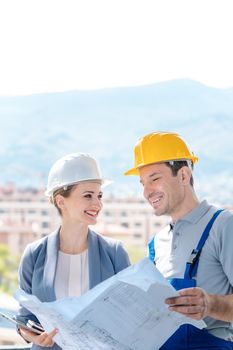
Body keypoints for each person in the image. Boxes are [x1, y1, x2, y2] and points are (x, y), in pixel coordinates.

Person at [125, 131, 233, 349]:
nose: (147, 191)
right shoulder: (156, 244)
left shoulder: (223, 225)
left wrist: (211, 305)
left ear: (183, 175)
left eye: (154, 178)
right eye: (142, 183)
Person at [16, 153, 130, 349]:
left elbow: (130, 315)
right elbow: (24, 319)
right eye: (88, 196)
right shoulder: (34, 255)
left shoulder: (115, 253)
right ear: (61, 202)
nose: (98, 204)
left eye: (99, 195)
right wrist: (36, 337)